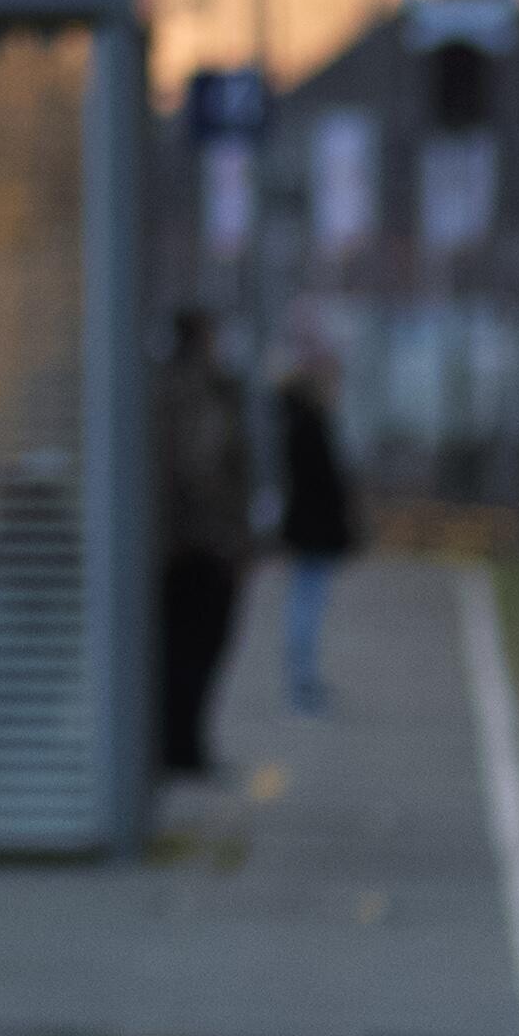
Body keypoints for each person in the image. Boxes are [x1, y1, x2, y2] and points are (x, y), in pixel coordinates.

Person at [151, 306, 253, 781]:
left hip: (174, 547)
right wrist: (227, 536)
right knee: (196, 652)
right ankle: (183, 749)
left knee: (175, 652)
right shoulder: (202, 394)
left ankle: (176, 746)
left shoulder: (162, 387)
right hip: (201, 549)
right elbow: (201, 469)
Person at [273, 345, 366, 715]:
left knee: (307, 605)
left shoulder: (304, 423)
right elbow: (321, 486)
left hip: (310, 531)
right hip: (311, 532)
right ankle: (301, 683)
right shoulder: (307, 426)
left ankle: (303, 681)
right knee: (305, 608)